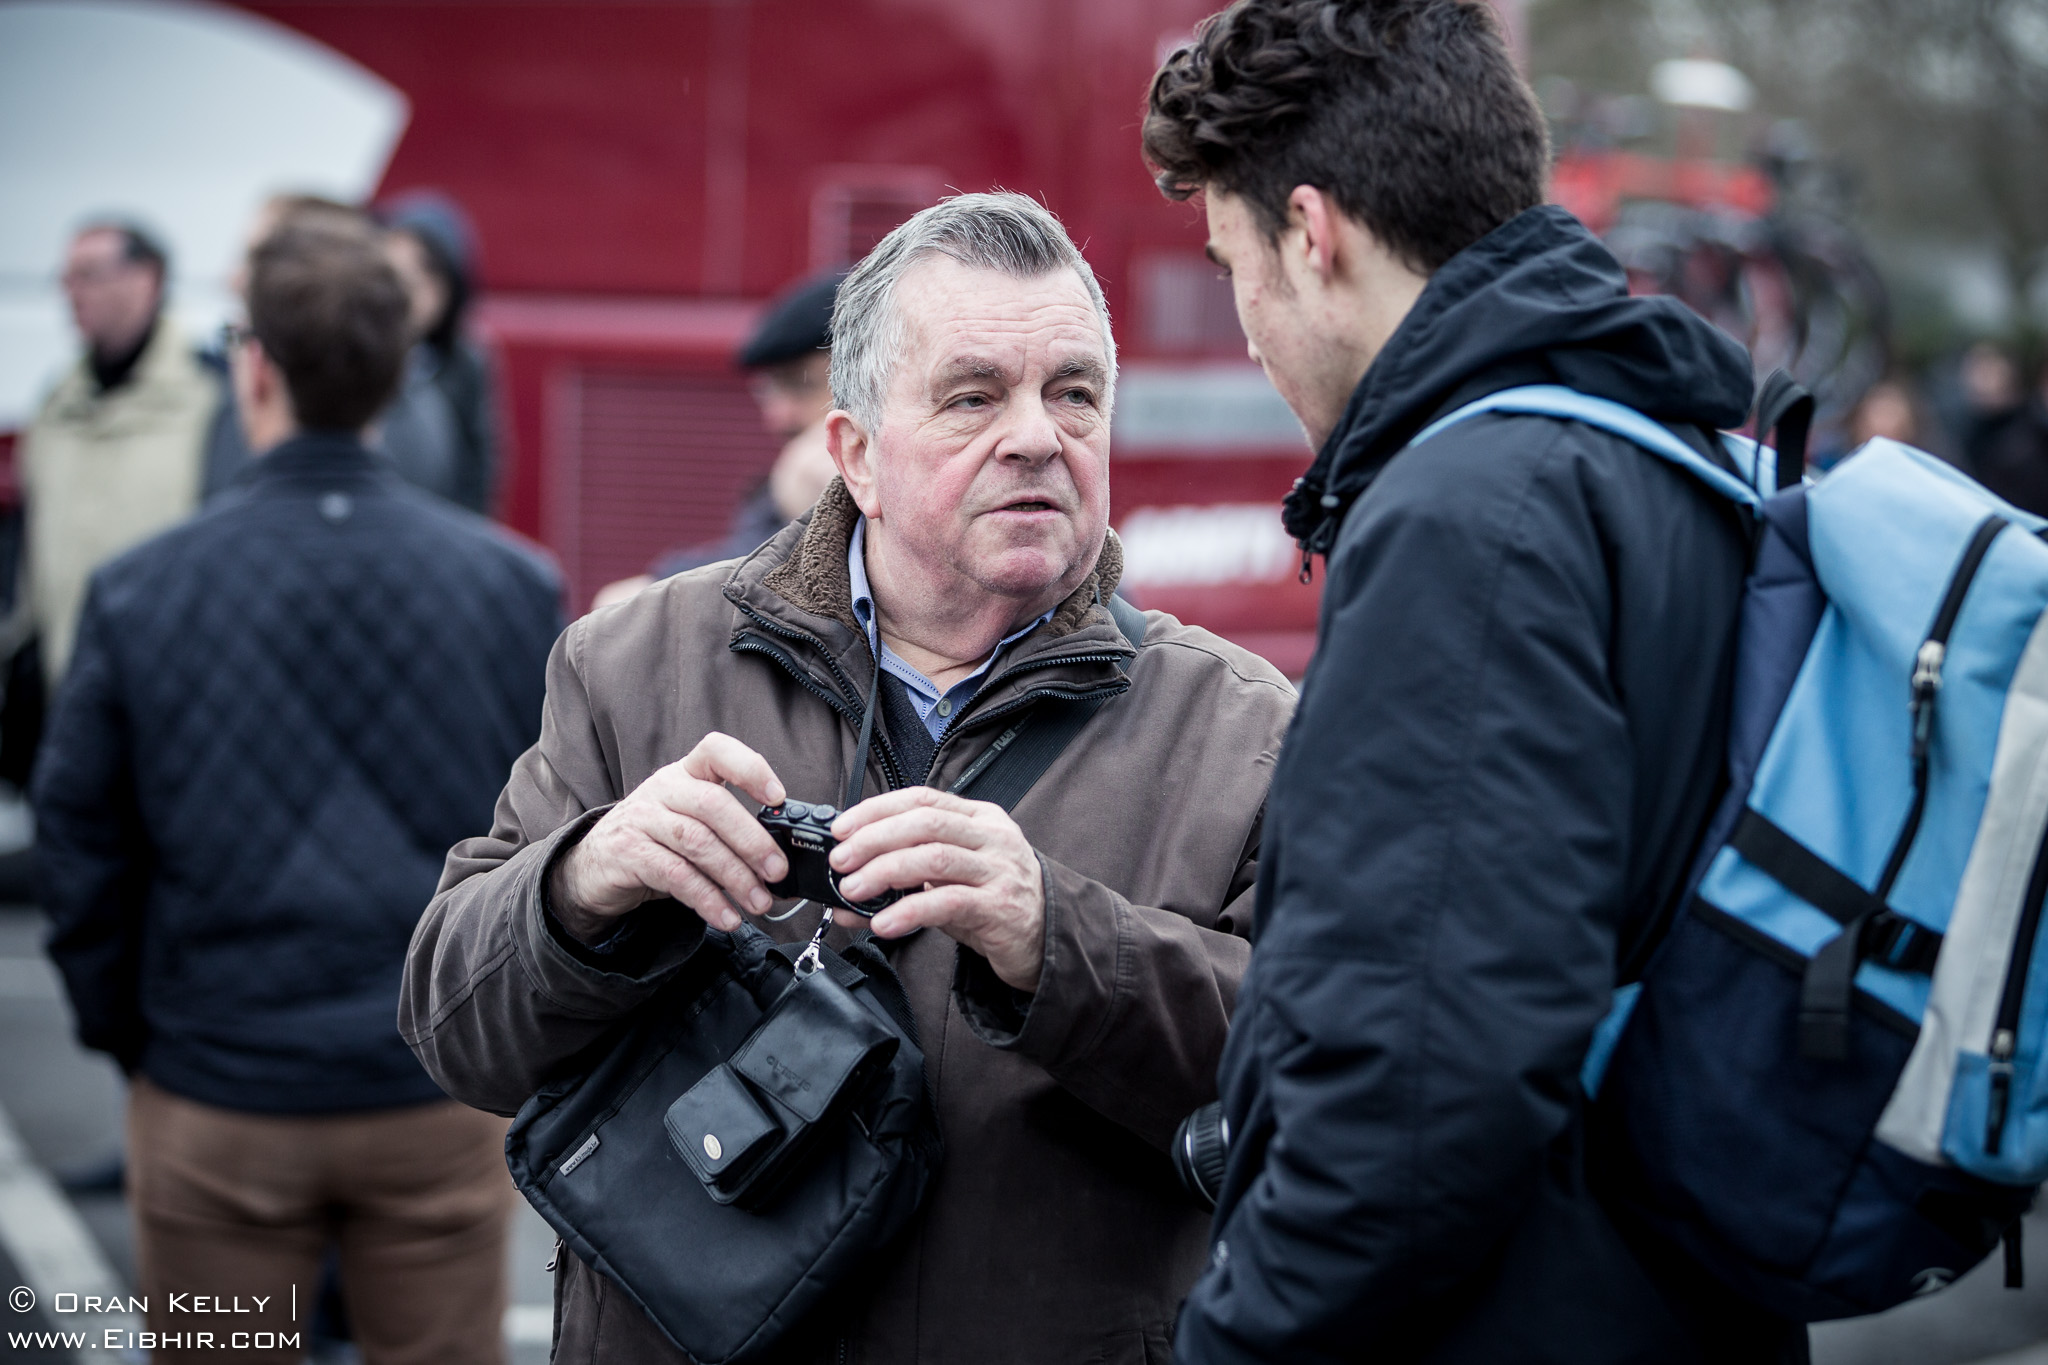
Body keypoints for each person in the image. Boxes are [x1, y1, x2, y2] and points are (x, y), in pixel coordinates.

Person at [400, 193, 1296, 1364]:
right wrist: (583, 886)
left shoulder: (1240, 729)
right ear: (855, 454)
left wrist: (1056, 941)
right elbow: (453, 1028)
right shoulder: (634, 662)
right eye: (973, 395)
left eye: (1072, 393)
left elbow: (1312, 1090)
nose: (1036, 435)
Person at [1142, 3, 1802, 1361]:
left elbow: (1419, 1081)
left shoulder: (1471, 518)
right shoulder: (1652, 452)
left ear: (1311, 233)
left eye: (1231, 261)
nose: (1248, 324)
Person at [35, 218, 563, 1365]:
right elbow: (550, 834)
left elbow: (80, 841)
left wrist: (131, 1032)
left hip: (217, 1091)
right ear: (390, 371)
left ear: (256, 368)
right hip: (434, 1094)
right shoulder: (514, 588)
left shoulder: (141, 590)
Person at [20, 221, 218, 691]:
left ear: (146, 279)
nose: (72, 294)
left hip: (170, 690)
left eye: (89, 274)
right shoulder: (56, 405)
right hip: (64, 683)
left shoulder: (208, 399)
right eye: (66, 278)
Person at [591, 268, 844, 608]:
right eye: (769, 390)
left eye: (802, 384)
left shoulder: (828, 474)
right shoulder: (790, 477)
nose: (778, 416)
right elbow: (748, 558)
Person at [381, 191, 501, 515]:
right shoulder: (359, 351)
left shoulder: (466, 363)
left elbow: (479, 475)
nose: (409, 292)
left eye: (426, 276)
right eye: (396, 275)